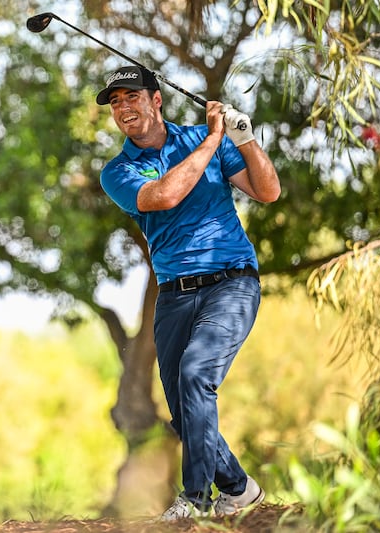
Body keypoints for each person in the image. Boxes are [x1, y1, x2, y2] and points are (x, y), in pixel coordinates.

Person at [96, 65, 281, 521]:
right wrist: (214, 140)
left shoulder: (205, 139)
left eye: (131, 97)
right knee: (183, 410)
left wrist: (243, 138)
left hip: (232, 283)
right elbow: (163, 196)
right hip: (173, 295)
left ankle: (196, 501)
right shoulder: (118, 171)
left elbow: (268, 191)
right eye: (115, 102)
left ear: (156, 100)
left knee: (197, 374)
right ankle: (238, 488)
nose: (123, 108)